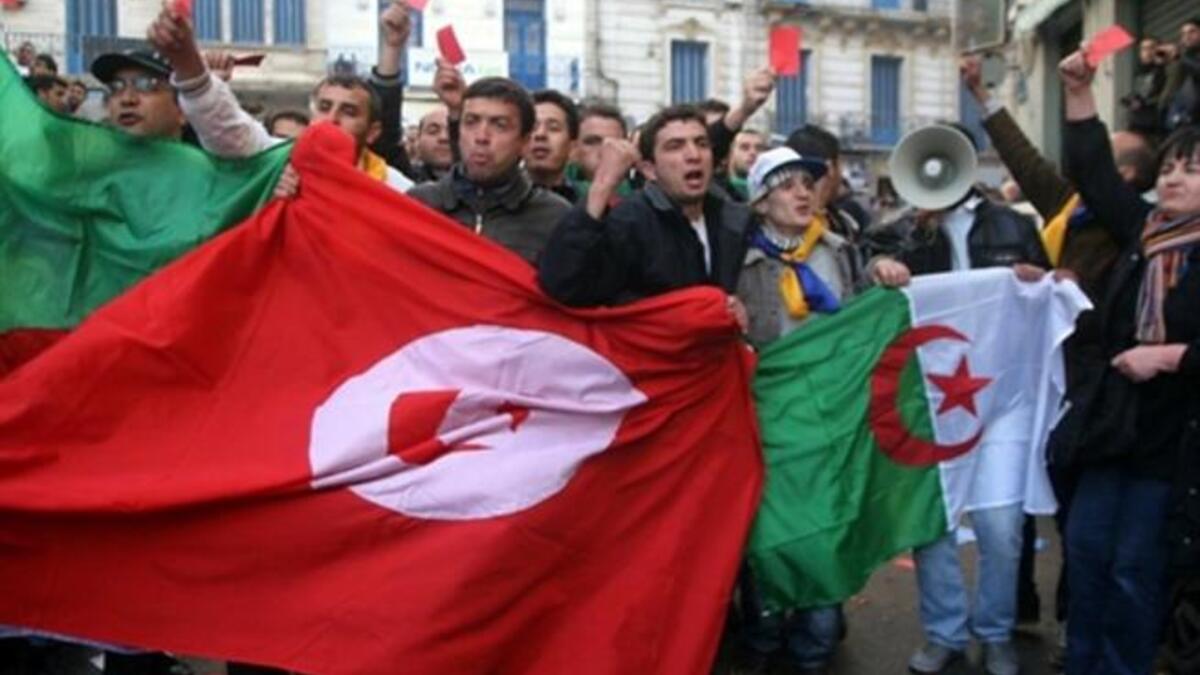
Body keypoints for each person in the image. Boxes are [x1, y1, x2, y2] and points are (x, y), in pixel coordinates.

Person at [865, 125, 1049, 675]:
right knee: (934, 525)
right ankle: (945, 631)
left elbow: (1049, 297)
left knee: (1000, 526)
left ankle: (995, 632)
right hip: (933, 401)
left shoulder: (1014, 228)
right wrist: (880, 271)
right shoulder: (899, 237)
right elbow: (867, 294)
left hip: (1004, 397)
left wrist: (1037, 282)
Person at [1058, 47, 1200, 675]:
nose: (1172, 179)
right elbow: (1094, 174)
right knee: (1086, 555)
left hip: (1171, 445)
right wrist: (1079, 92)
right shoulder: (1144, 231)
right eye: (1168, 167)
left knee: (1134, 572)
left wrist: (1172, 356)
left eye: (1191, 170)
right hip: (1111, 430)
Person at [734, 147, 869, 675]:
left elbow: (860, 320)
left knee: (826, 533)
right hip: (769, 426)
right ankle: (764, 635)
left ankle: (814, 645)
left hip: (831, 424)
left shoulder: (842, 253)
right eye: (787, 184)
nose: (803, 193)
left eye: (809, 184)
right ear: (762, 201)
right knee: (771, 538)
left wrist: (883, 270)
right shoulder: (739, 263)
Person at [147, 1, 413, 192]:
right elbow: (225, 128)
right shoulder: (275, 160)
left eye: (349, 112)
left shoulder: (395, 188)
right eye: (324, 106)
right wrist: (187, 62)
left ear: (373, 132)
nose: (331, 119)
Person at [537, 104, 750, 326]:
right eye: (675, 146)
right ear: (649, 170)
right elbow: (564, 284)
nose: (693, 155)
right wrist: (603, 185)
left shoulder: (735, 219)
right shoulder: (628, 222)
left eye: (701, 144)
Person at [408, 76, 571, 264]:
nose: (481, 136)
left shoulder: (554, 217)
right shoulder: (418, 204)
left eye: (499, 125)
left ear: (524, 141)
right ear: (458, 131)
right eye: (471, 122)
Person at [90, 49, 186, 140]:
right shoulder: (88, 154)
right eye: (115, 87)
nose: (126, 99)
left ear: (183, 110)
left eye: (146, 85)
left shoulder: (197, 156)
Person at [565, 102, 635, 201]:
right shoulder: (554, 196)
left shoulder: (641, 199)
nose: (603, 150)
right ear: (573, 150)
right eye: (592, 142)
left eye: (613, 143)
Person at [525, 89, 580, 202]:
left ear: (573, 147)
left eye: (553, 128)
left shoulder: (587, 205)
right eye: (533, 127)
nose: (540, 134)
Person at [1159, 16, 1200, 131]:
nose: (1187, 36)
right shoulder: (1184, 58)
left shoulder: (1184, 59)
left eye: (1192, 31)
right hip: (1180, 120)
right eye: (1183, 33)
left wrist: (1179, 58)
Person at [410, 106, 453, 183]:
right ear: (418, 140)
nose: (444, 137)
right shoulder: (401, 182)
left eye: (451, 131)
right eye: (433, 131)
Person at [724, 128, 766, 201]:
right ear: (731, 153)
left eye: (759, 148)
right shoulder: (717, 193)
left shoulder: (774, 195)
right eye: (744, 147)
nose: (753, 153)